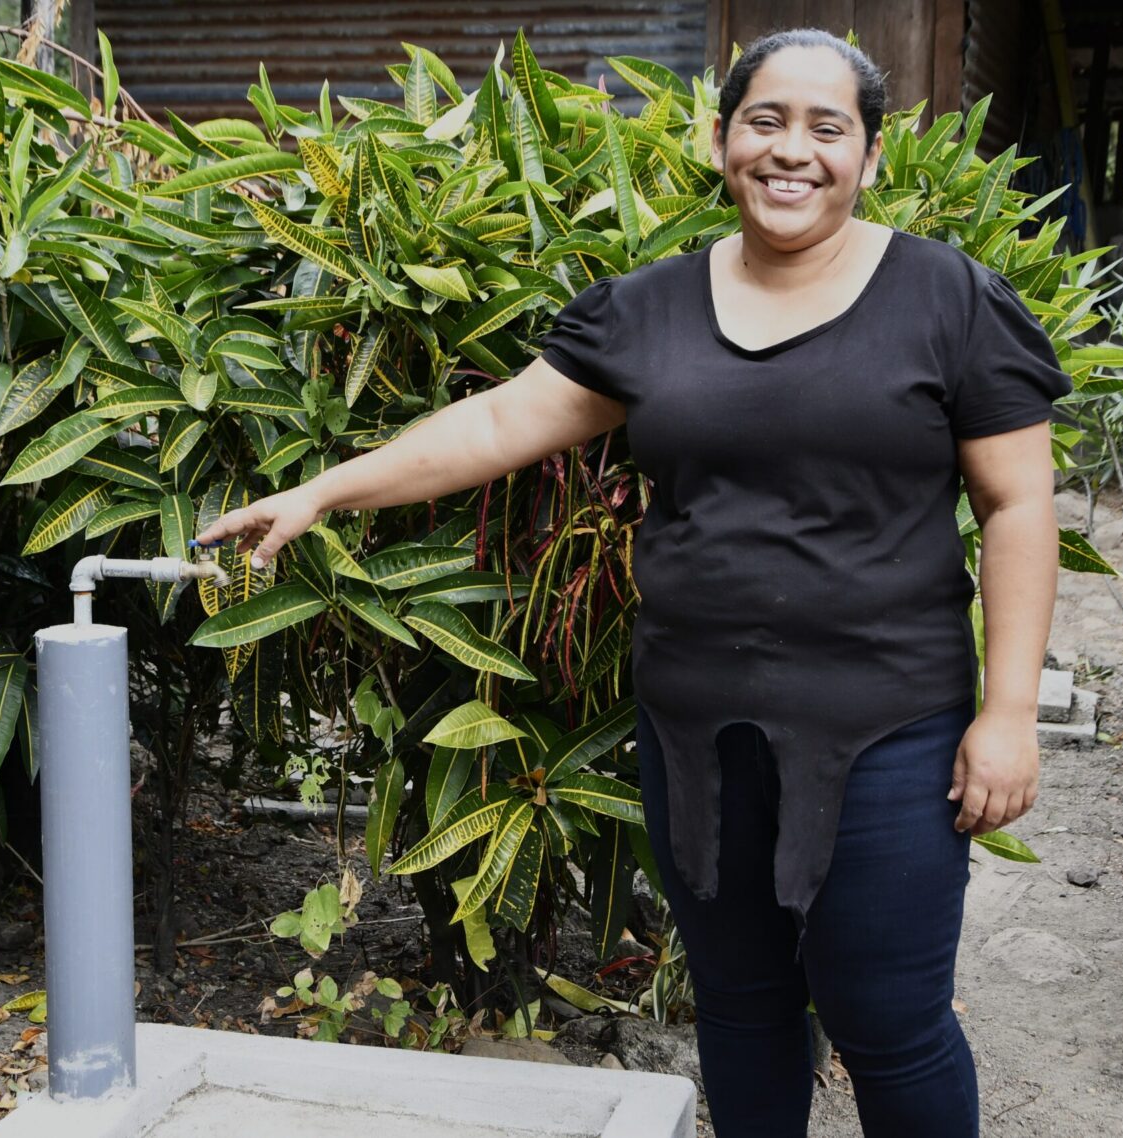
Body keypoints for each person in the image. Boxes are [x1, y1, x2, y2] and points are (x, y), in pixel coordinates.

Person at [194, 28, 1069, 1137]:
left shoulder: (949, 301)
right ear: (721, 140)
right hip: (697, 731)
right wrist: (324, 491)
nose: (790, 150)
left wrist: (1007, 713)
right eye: (765, 120)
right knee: (743, 1011)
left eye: (825, 127)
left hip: (891, 728)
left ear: (871, 156)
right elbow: (506, 419)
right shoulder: (648, 310)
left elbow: (1018, 505)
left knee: (884, 1014)